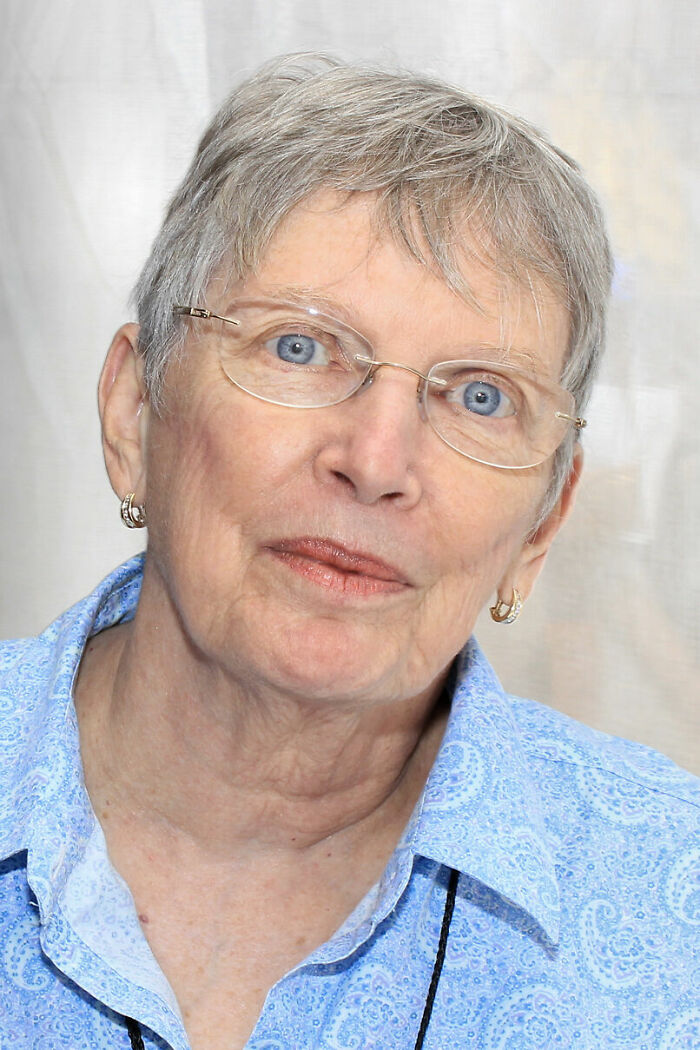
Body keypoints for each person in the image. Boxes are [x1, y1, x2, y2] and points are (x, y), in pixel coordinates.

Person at [1, 54, 697, 1050]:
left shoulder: (674, 910)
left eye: (481, 397)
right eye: (300, 347)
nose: (376, 462)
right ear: (134, 412)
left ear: (542, 524)